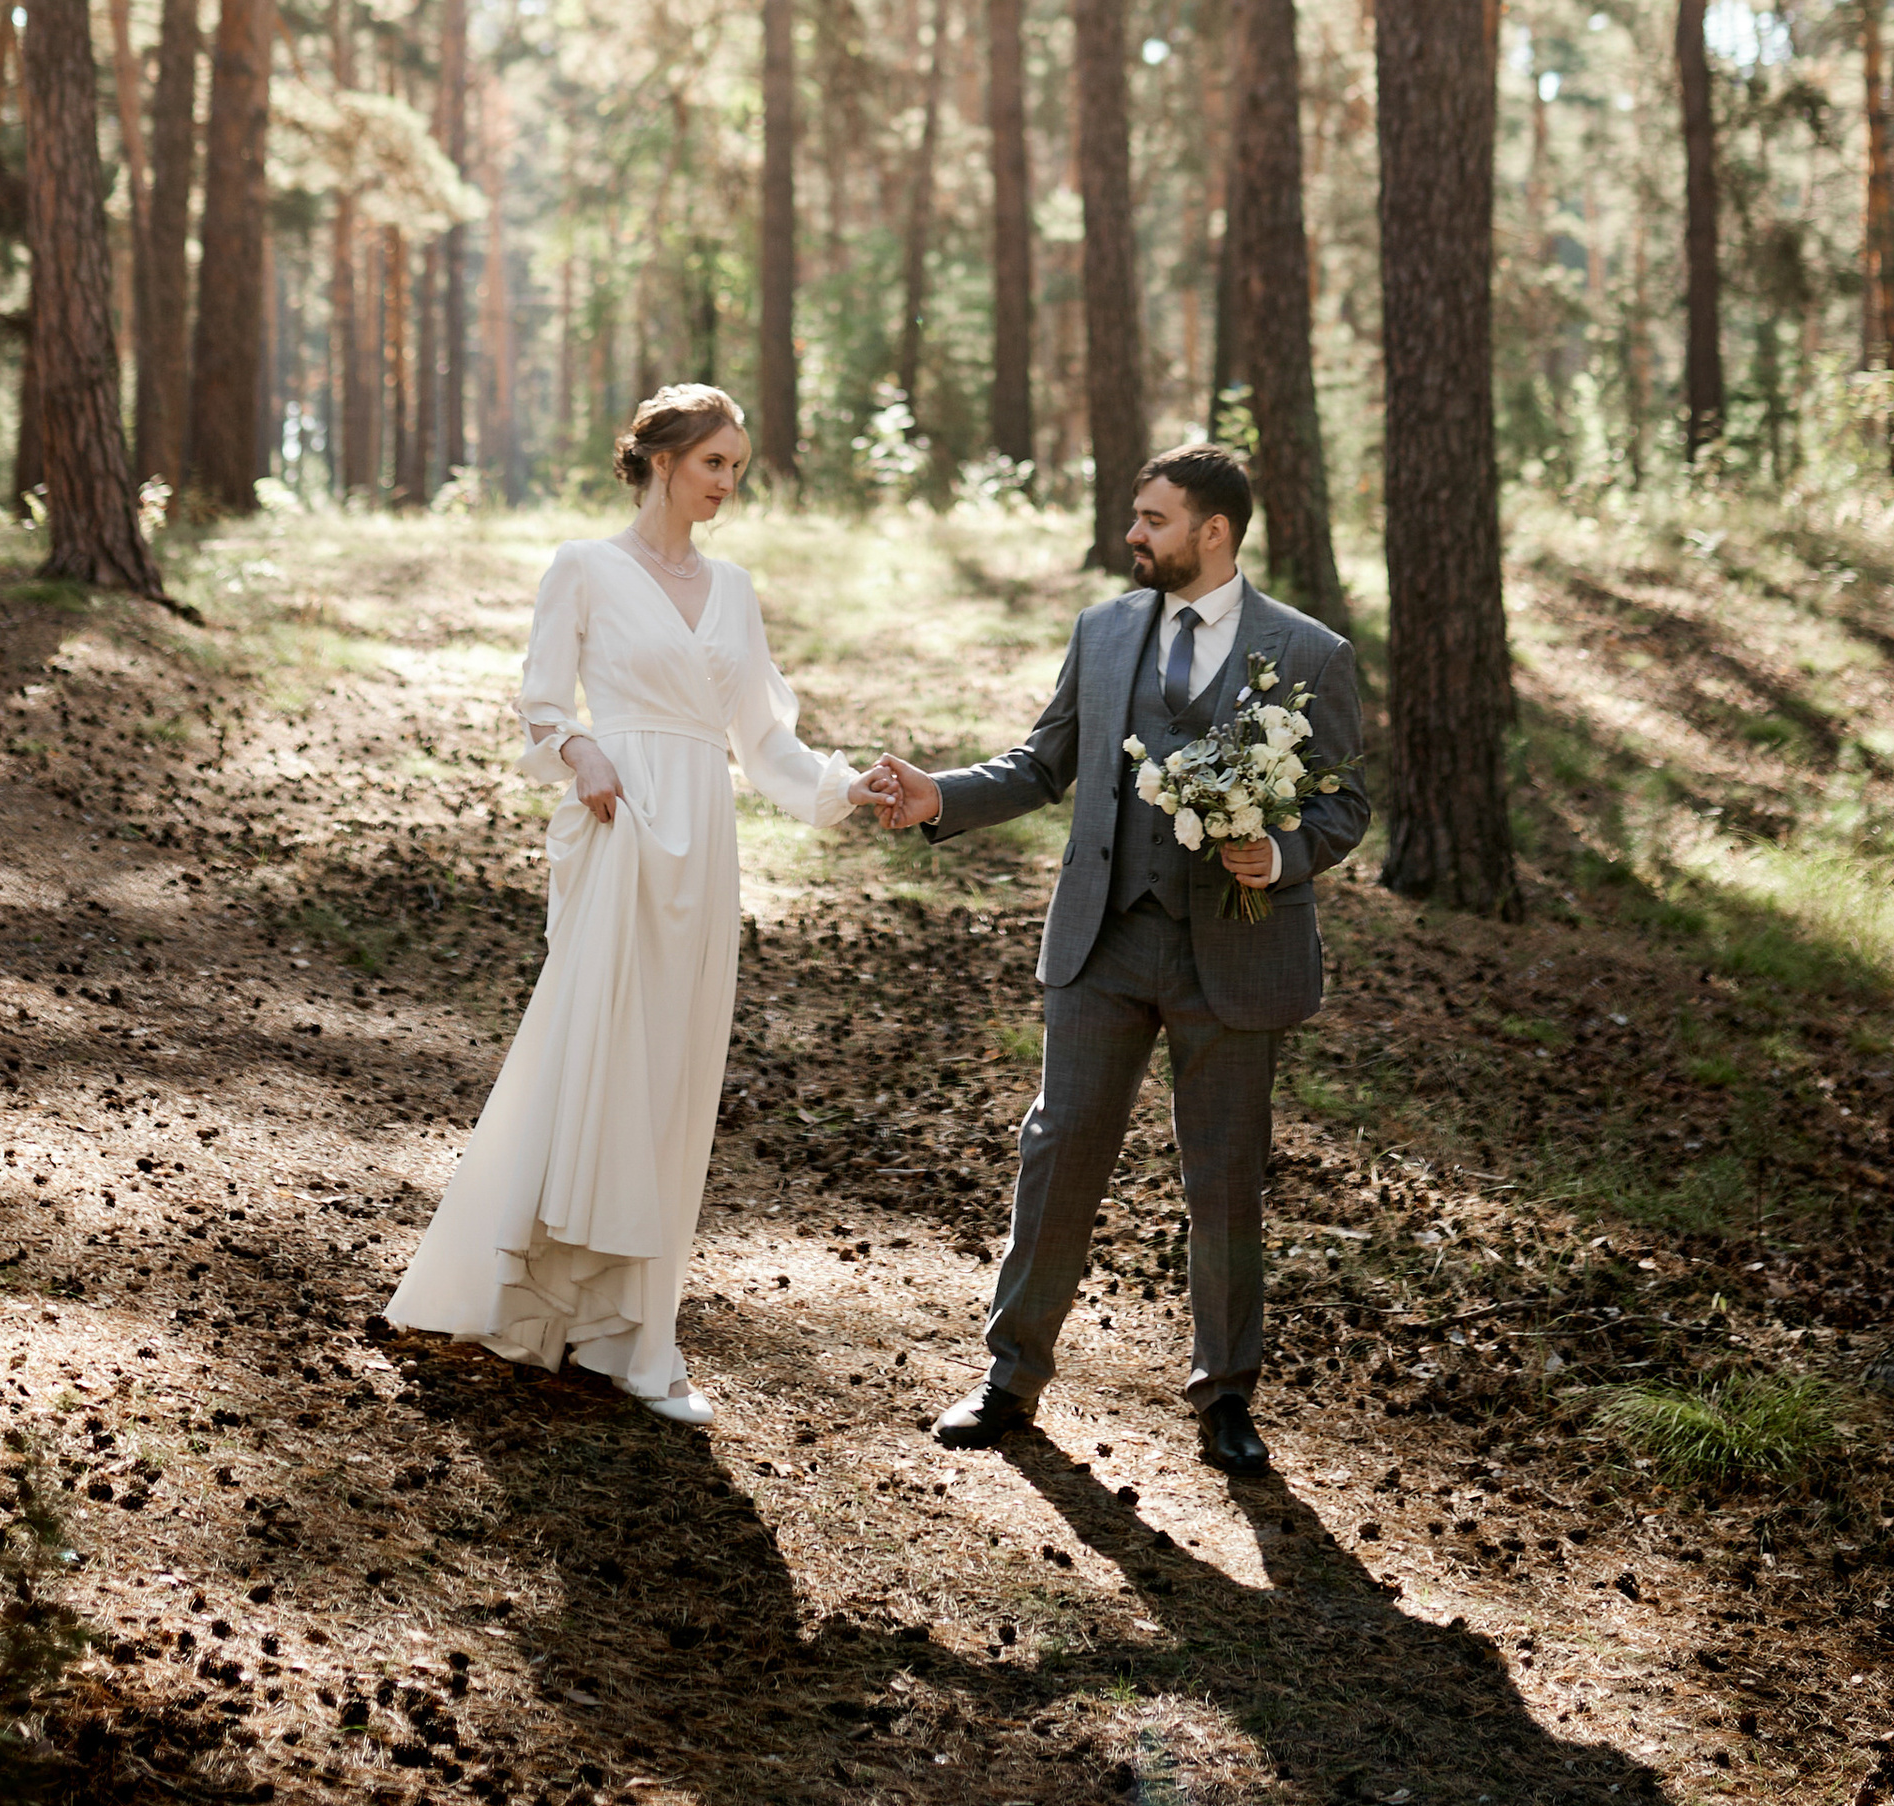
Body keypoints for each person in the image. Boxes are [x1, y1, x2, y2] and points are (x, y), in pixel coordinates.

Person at [858, 443, 1367, 1476]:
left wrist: (1281, 852)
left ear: (1212, 533)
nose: (1131, 535)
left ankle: (1225, 1395)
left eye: (1152, 519)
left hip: (1236, 955)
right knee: (1059, 1153)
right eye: (1135, 517)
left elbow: (1343, 801)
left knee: (1222, 1179)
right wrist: (940, 796)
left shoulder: (1311, 654)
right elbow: (1043, 762)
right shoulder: (1101, 632)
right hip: (1102, 940)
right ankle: (1009, 1378)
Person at [386, 382, 861, 1424]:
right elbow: (542, 705)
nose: (728, 483)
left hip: (706, 845)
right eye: (713, 463)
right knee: (592, 1051)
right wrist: (584, 746)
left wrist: (841, 788)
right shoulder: (585, 567)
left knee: (675, 1076)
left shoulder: (732, 588)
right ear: (659, 460)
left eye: (737, 466)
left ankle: (638, 1338)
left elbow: (763, 739)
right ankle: (524, 1293)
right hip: (621, 830)